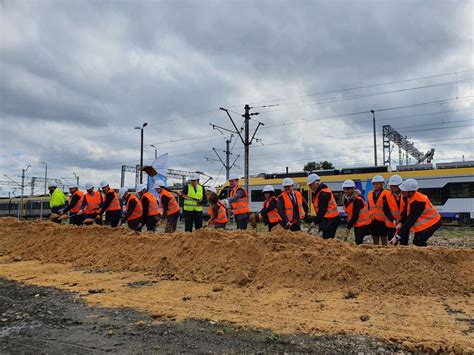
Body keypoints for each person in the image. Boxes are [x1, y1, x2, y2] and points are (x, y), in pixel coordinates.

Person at [392, 179, 441, 247]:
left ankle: (425, 256)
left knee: (418, 242)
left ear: (411, 192)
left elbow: (411, 220)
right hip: (424, 224)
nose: (402, 192)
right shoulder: (407, 197)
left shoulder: (419, 201)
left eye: (404, 191)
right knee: (418, 242)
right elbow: (406, 212)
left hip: (432, 223)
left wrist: (397, 237)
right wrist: (401, 223)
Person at [306, 174, 340, 239]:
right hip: (328, 219)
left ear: (317, 183)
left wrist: (314, 221)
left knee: (327, 239)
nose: (310, 187)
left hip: (332, 220)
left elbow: (322, 212)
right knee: (325, 238)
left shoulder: (323, 194)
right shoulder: (318, 192)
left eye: (311, 185)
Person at [342, 180, 372, 245]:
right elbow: (350, 212)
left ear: (353, 189)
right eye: (345, 189)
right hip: (357, 223)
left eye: (348, 189)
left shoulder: (357, 200)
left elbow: (355, 215)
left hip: (364, 223)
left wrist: (348, 227)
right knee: (357, 240)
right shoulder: (345, 199)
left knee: (358, 240)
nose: (346, 191)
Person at [383, 175, 405, 241]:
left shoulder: (406, 194)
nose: (393, 187)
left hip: (403, 223)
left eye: (395, 186)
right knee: (391, 241)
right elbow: (385, 210)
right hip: (391, 224)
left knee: (403, 242)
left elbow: (407, 209)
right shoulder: (386, 196)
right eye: (392, 186)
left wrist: (401, 220)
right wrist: (392, 219)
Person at [367, 175, 388, 245]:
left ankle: (385, 252)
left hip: (383, 220)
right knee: (375, 239)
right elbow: (369, 206)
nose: (375, 185)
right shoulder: (369, 194)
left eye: (377, 184)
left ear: (382, 184)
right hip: (373, 220)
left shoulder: (386, 193)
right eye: (374, 184)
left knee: (384, 239)